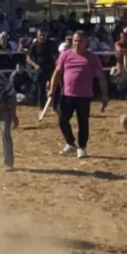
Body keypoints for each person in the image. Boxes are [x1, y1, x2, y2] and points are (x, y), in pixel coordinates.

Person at [47, 30, 109, 158]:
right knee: (62, 120)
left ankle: (82, 147)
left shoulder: (92, 58)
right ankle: (70, 143)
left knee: (83, 122)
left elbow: (101, 77)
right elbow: (57, 72)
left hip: (84, 95)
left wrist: (104, 94)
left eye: (80, 41)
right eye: (75, 41)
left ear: (86, 42)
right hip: (67, 94)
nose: (77, 43)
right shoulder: (65, 55)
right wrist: (52, 89)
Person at [27, 29, 57, 108]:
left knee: (54, 88)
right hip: (40, 70)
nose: (42, 37)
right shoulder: (34, 45)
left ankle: (55, 107)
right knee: (41, 89)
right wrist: (35, 65)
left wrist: (57, 65)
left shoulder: (51, 44)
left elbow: (56, 56)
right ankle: (41, 107)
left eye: (43, 35)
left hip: (52, 69)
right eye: (40, 35)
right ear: (37, 35)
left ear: (47, 34)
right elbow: (28, 58)